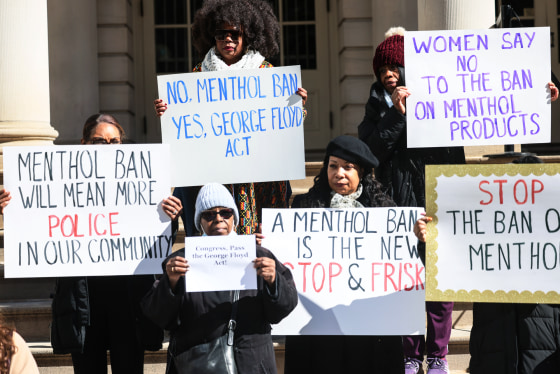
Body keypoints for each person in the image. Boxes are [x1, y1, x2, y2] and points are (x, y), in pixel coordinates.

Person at [357, 33, 466, 374]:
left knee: (438, 283)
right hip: (396, 201)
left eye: (395, 66)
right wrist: (395, 114)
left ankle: (437, 356)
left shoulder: (440, 95)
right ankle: (408, 354)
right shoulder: (377, 103)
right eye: (382, 69)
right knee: (405, 281)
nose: (389, 74)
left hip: (436, 196)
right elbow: (371, 152)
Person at [156, 0, 307, 236]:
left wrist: (296, 108)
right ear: (211, 37)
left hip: (259, 177)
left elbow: (279, 127)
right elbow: (187, 126)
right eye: (221, 34)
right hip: (216, 174)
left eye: (235, 33)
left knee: (260, 234)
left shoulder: (265, 72)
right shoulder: (198, 75)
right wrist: (168, 112)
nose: (228, 39)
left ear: (248, 35)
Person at [45, 114, 163, 374]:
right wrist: (13, 209)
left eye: (114, 141)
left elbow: (157, 237)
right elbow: (41, 221)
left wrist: (169, 215)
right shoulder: (62, 184)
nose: (108, 148)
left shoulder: (141, 183)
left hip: (128, 302)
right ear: (84, 144)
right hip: (84, 304)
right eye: (100, 141)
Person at [141, 182, 298, 374]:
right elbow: (159, 316)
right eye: (209, 214)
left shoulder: (260, 256)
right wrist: (171, 284)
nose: (218, 219)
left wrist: (274, 282)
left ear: (235, 218)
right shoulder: (180, 261)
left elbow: (283, 309)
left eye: (225, 212)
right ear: (199, 221)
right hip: (198, 366)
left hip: (252, 364)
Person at [283, 135, 404, 374]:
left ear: (362, 173)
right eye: (333, 166)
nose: (339, 173)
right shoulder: (304, 207)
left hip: (368, 325)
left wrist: (417, 237)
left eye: (348, 167)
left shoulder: (384, 210)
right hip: (319, 325)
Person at [468, 155, 560, 374]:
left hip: (543, 349)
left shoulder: (554, 235)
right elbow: (446, 262)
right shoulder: (482, 232)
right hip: (493, 350)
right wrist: (426, 241)